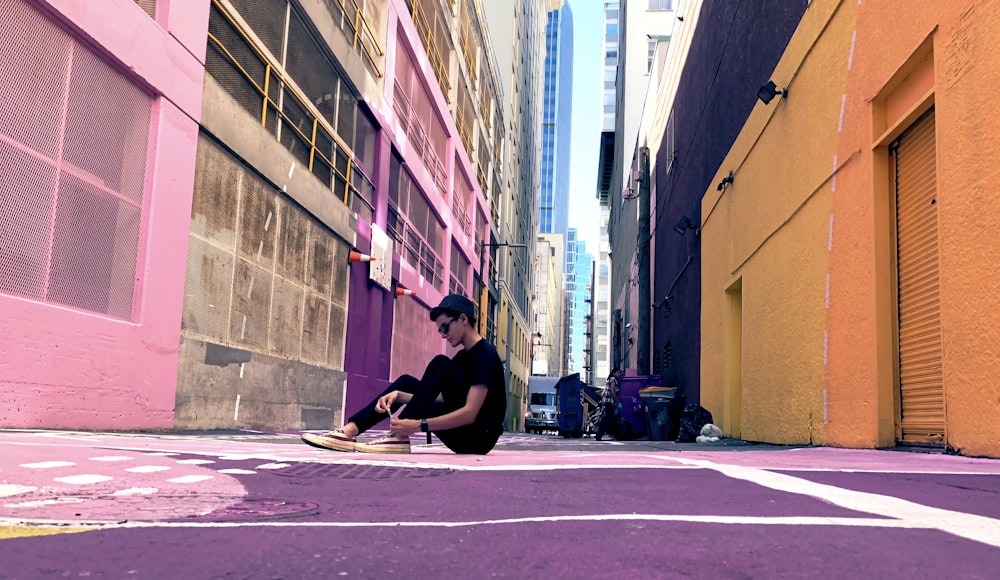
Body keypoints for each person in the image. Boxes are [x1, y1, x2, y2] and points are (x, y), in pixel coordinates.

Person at [301, 293, 507, 455]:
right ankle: (349, 432)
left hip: (478, 438)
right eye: (440, 330)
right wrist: (402, 397)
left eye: (445, 327)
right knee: (406, 383)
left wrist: (418, 426)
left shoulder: (485, 356)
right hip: (464, 433)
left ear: (463, 319)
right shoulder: (463, 358)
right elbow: (445, 399)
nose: (443, 335)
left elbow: (470, 413)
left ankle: (397, 438)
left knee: (440, 363)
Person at [595, 367, 622, 442]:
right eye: (617, 372)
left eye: (619, 373)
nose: (619, 374)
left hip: (607, 401)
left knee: (611, 418)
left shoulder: (609, 379)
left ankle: (616, 434)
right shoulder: (613, 379)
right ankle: (599, 435)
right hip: (609, 402)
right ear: (614, 373)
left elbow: (604, 392)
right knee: (608, 419)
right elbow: (613, 392)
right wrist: (618, 401)